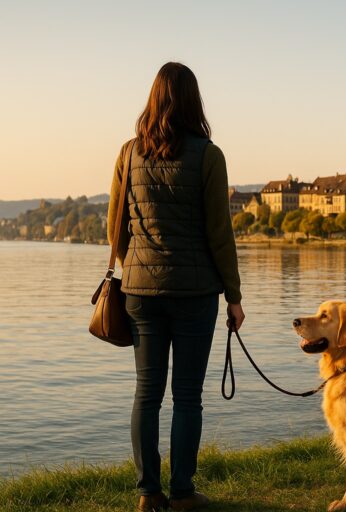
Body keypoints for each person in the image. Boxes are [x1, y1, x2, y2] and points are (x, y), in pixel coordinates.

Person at [107, 62, 245, 512]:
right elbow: (219, 233)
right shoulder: (209, 155)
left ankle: (148, 494)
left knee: (146, 394)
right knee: (187, 396)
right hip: (195, 293)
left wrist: (138, 268)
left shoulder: (128, 153)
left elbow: (115, 228)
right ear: (194, 100)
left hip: (140, 293)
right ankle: (183, 493)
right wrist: (234, 296)